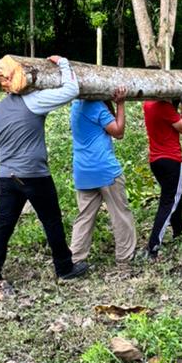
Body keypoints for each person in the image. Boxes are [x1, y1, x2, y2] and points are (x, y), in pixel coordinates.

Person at [0, 55, 88, 289]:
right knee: (51, 221)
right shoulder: (34, 100)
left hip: (6, 176)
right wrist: (65, 64)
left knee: (3, 224)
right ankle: (64, 268)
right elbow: (72, 89)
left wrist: (4, 160)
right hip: (34, 175)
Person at [69, 87, 137, 269]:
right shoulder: (96, 107)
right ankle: (124, 256)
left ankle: (75, 257)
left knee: (84, 216)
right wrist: (121, 104)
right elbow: (118, 131)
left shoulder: (76, 105)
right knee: (120, 213)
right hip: (105, 169)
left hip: (83, 171)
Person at [143, 87, 182, 259]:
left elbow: (167, 123)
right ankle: (153, 246)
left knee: (177, 196)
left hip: (156, 160)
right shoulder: (164, 108)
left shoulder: (147, 104)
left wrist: (176, 103)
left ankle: (178, 232)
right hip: (171, 160)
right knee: (169, 202)